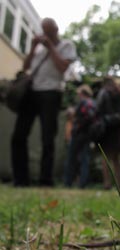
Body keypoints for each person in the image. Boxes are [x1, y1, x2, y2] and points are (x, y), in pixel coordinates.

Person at [11, 18, 77, 187]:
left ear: (56, 29)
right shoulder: (38, 49)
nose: (46, 34)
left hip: (51, 93)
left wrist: (51, 48)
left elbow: (63, 68)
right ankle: (20, 179)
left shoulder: (66, 46)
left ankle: (45, 179)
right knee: (18, 136)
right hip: (31, 92)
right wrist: (33, 48)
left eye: (49, 31)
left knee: (48, 138)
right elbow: (25, 67)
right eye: (44, 31)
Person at [96, 76, 120, 189]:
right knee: (116, 158)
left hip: (106, 128)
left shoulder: (103, 93)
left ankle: (107, 183)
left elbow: (98, 109)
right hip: (116, 128)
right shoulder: (119, 93)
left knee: (105, 157)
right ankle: (119, 183)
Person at [64, 85, 96, 188]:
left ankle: (68, 182)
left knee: (71, 159)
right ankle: (83, 183)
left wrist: (77, 124)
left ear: (82, 93)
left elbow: (83, 117)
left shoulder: (84, 103)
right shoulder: (93, 103)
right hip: (88, 135)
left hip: (78, 135)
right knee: (85, 160)